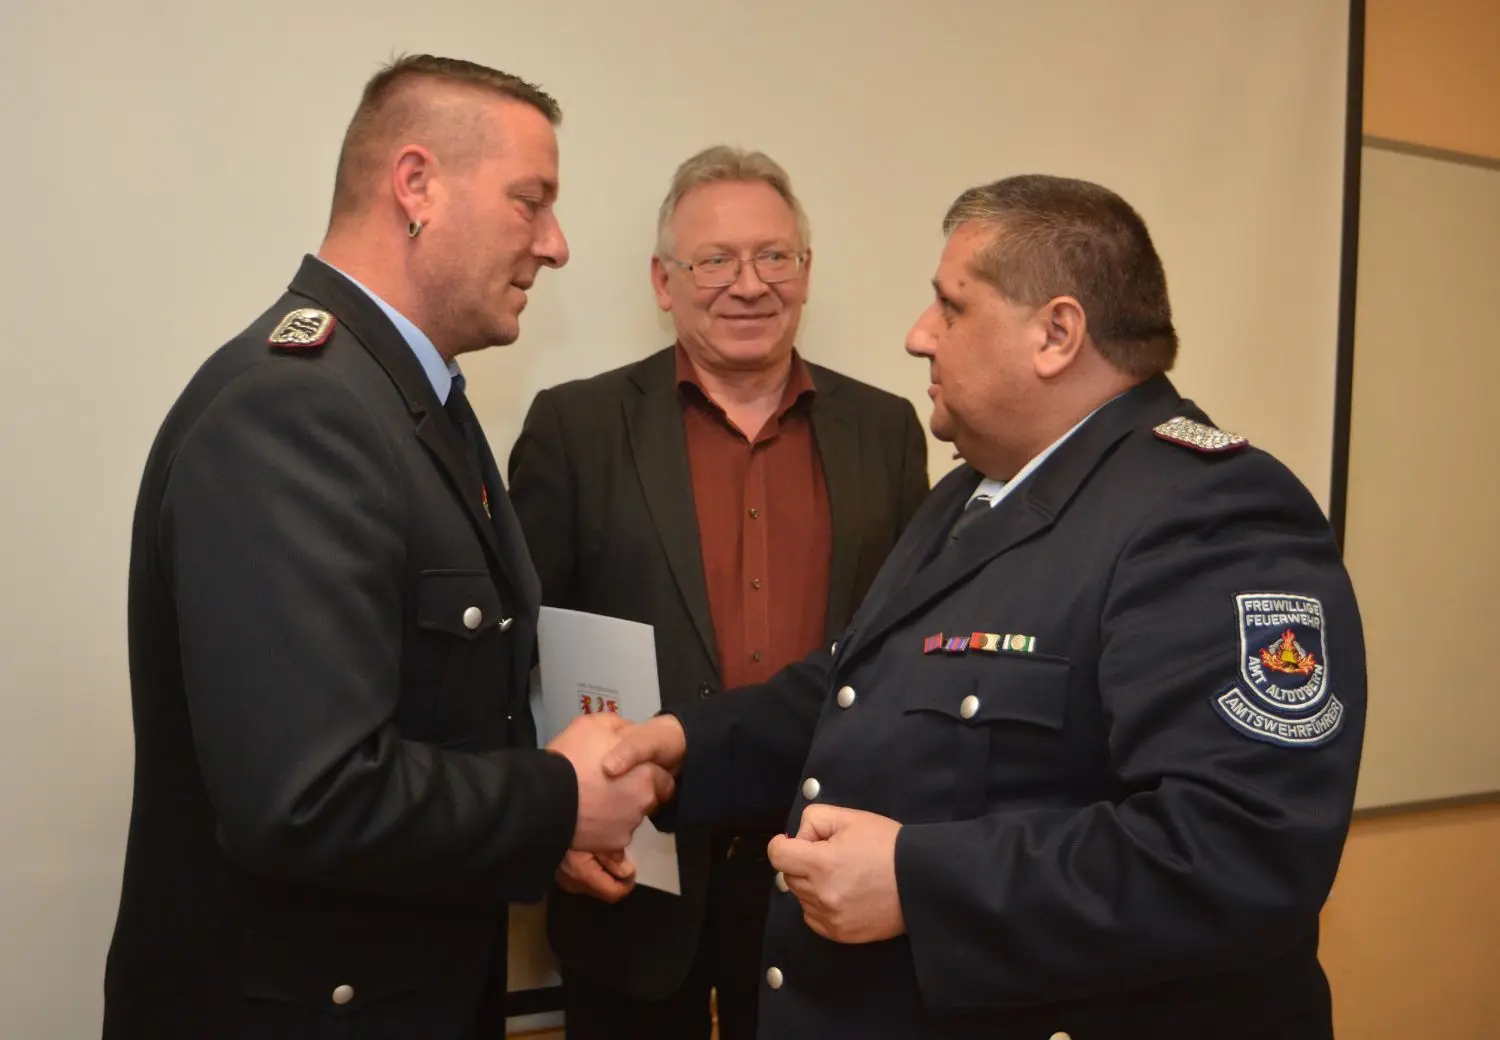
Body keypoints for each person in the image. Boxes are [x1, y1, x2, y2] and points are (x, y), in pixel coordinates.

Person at [605, 173, 1367, 1039]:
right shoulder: (980, 488)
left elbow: (1241, 851)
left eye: (951, 308)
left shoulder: (1209, 515)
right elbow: (858, 684)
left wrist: (919, 883)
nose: (918, 337)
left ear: (1056, 333)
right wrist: (676, 749)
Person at [103, 55, 671, 1039]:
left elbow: (439, 710)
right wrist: (552, 800)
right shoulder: (299, 408)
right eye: (530, 201)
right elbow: (309, 795)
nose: (557, 243)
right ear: (416, 185)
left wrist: (549, 830)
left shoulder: (411, 401)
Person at [506, 145, 929, 1039]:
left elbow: (904, 656)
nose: (749, 284)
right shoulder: (574, 429)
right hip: (634, 869)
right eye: (714, 261)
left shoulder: (887, 431)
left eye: (775, 256)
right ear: (664, 282)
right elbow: (519, 655)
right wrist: (554, 825)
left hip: (823, 873)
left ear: (806, 273)